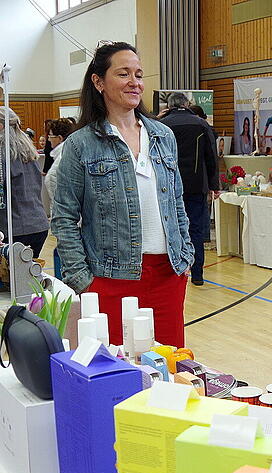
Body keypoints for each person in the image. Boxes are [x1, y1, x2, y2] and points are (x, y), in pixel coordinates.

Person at [51, 41, 193, 347]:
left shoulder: (162, 135)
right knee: (118, 371)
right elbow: (63, 217)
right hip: (110, 280)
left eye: (139, 74)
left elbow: (176, 202)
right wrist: (84, 280)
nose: (135, 82)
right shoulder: (81, 145)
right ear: (99, 81)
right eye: (124, 73)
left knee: (169, 367)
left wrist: (187, 254)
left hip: (169, 275)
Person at [160, 92, 220, 286]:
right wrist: (214, 185)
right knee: (195, 230)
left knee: (169, 228)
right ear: (187, 104)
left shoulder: (162, 125)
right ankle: (198, 274)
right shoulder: (201, 124)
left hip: (167, 186)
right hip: (196, 185)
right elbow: (211, 157)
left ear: (168, 105)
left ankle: (173, 271)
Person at [0, 107, 50, 257]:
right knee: (29, 277)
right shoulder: (28, 151)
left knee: (12, 278)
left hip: (14, 229)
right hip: (38, 225)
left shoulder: (3, 155)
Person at [43, 118, 76, 217]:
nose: (48, 139)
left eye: (51, 136)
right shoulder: (66, 155)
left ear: (60, 138)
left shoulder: (62, 161)